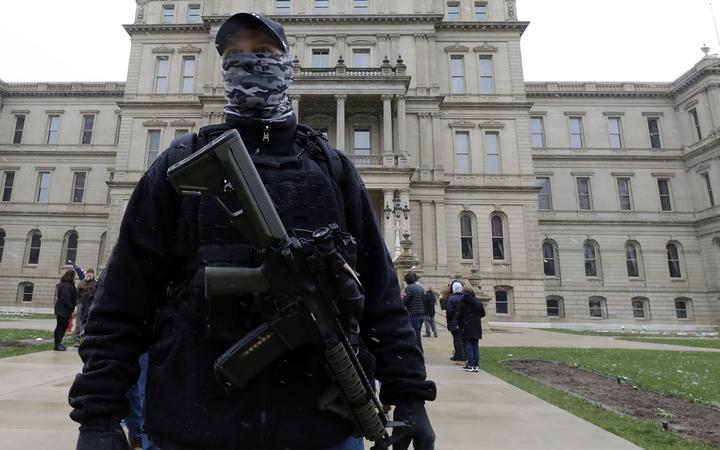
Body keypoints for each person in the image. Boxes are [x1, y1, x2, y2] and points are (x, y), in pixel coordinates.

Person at [69, 13, 435, 450]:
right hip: (194, 422)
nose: (249, 66)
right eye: (234, 56)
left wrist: (409, 395)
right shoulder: (180, 164)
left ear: (288, 66)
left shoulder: (331, 168)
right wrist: (99, 416)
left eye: (263, 54)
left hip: (318, 425)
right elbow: (125, 297)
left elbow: (378, 294)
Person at [456, 284, 485, 373]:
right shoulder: (477, 301)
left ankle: (471, 364)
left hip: (466, 325)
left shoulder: (462, 301)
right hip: (476, 326)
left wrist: (459, 324)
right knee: (475, 345)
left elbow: (459, 315)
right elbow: (483, 313)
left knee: (468, 345)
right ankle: (476, 365)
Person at [53, 269, 77, 351]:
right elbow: (66, 298)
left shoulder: (65, 284)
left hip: (63, 308)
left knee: (62, 326)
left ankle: (58, 343)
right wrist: (71, 306)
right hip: (63, 309)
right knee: (61, 326)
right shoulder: (66, 285)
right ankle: (57, 344)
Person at [402, 272, 426, 351]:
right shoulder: (421, 288)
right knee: (417, 333)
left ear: (406, 281)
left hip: (414, 314)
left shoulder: (409, 288)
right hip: (422, 314)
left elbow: (405, 302)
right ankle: (418, 350)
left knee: (414, 334)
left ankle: (418, 351)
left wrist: (401, 299)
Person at [73, 268, 96, 346]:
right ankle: (77, 340)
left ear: (93, 274)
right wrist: (77, 302)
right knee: (78, 322)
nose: (89, 274)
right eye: (88, 273)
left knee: (88, 322)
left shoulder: (95, 284)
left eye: (91, 273)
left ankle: (87, 339)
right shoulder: (81, 283)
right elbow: (77, 293)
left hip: (90, 305)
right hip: (81, 304)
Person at [445, 280, 466, 364]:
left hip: (454, 322)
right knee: (460, 339)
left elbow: (449, 312)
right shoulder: (464, 297)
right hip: (463, 322)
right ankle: (458, 355)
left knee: (457, 340)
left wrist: (449, 321)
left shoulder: (451, 298)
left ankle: (461, 357)